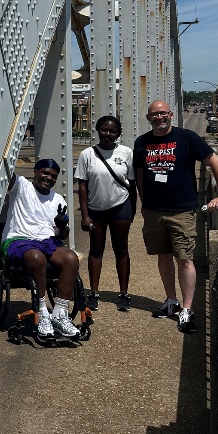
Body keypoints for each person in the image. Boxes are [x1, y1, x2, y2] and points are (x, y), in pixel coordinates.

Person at [134, 100, 218, 333]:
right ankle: (170, 301)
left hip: (182, 211)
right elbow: (139, 174)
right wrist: (145, 203)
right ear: (148, 118)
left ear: (171, 114)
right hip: (154, 211)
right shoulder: (142, 142)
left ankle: (187, 309)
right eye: (154, 114)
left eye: (163, 113)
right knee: (163, 256)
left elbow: (214, 160)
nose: (159, 117)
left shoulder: (187, 138)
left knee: (185, 259)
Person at [1, 158, 80, 338]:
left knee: (71, 258)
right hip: (18, 239)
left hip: (46, 240)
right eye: (45, 173)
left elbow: (62, 234)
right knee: (37, 257)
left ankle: (60, 315)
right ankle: (42, 311)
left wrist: (62, 225)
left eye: (53, 176)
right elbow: (5, 169)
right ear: (35, 171)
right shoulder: (21, 186)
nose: (48, 178)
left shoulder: (58, 199)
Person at [75, 115, 137, 312]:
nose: (108, 134)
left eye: (112, 131)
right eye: (104, 130)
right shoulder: (87, 154)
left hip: (121, 207)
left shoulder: (126, 153)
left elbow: (132, 183)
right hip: (96, 209)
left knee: (121, 249)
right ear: (97, 130)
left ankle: (124, 293)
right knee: (96, 249)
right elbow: (82, 186)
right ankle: (93, 293)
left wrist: (132, 211)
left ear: (118, 133)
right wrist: (85, 215)